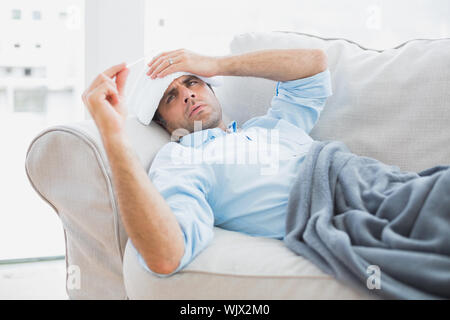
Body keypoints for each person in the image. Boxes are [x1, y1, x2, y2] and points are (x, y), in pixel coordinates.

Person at [82, 48, 331, 276]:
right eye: (170, 97)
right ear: (163, 124)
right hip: (336, 209)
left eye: (193, 83)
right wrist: (112, 135)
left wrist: (215, 64)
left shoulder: (270, 126)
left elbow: (314, 64)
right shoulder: (183, 159)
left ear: (212, 89)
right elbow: (166, 256)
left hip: (356, 175)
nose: (188, 95)